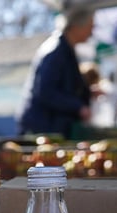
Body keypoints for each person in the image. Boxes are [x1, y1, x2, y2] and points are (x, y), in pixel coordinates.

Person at [17, 8, 94, 138]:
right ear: (76, 26)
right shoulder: (55, 51)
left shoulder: (65, 50)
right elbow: (45, 91)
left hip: (53, 127)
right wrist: (78, 106)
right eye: (90, 26)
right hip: (44, 129)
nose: (92, 32)